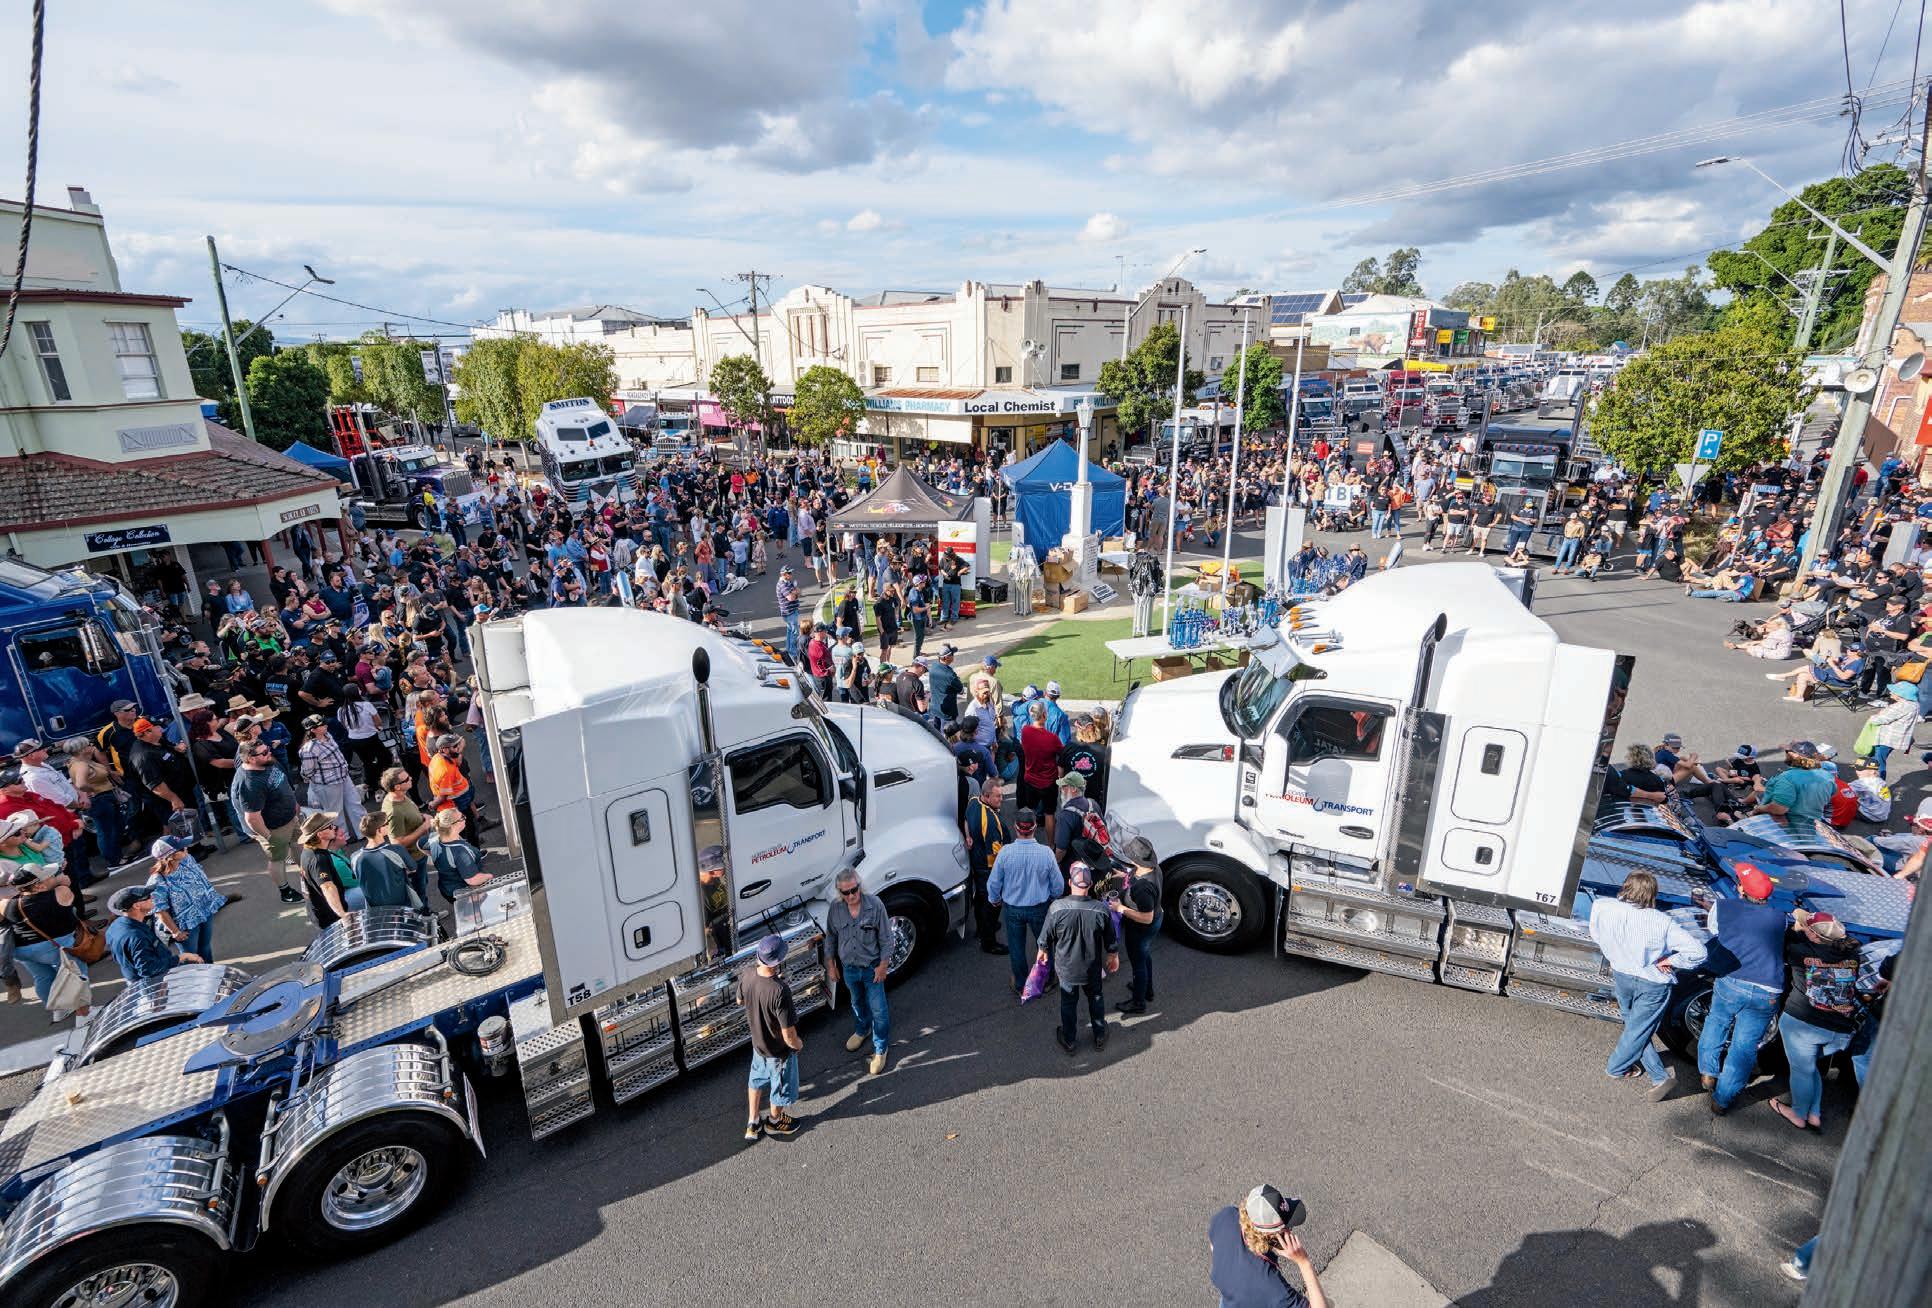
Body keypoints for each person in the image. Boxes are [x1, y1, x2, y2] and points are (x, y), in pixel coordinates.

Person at [1586, 869, 1706, 1100]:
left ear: (1625, 886)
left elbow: (1597, 934)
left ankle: (1659, 1076)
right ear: (1653, 894)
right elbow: (1698, 952)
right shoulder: (1661, 921)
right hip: (1653, 982)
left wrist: (1615, 952)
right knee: (1640, 1028)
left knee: (1636, 1026)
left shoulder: (1602, 906)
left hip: (1621, 973)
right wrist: (1671, 961)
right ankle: (1617, 1067)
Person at [1693, 864, 1785, 1115]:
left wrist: (1710, 907)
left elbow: (1716, 931)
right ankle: (1722, 1101)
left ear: (1741, 890)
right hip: (1767, 990)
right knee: (1744, 1047)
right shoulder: (1780, 917)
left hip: (1731, 980)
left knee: (1717, 1022)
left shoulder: (1723, 907)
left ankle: (1708, 1073)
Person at [1771, 909, 1862, 1132]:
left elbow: (1784, 939)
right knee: (1811, 1068)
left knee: (1801, 1071)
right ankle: (1814, 1114)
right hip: (1839, 1029)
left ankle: (1798, 1114)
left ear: (1814, 935)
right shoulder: (1853, 954)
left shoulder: (1800, 951)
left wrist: (1798, 926)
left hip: (1803, 1024)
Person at [1036, 861, 1119, 1053]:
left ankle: (1069, 1040)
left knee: (1068, 1003)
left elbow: (1044, 940)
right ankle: (1099, 1035)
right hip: (1092, 969)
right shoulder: (1101, 910)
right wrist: (1113, 956)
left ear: (1069, 882)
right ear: (1090, 885)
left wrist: (1043, 952)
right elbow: (1111, 940)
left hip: (1067, 970)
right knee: (1095, 999)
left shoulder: (1057, 908)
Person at [1207, 1185, 1327, 1308]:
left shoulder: (1226, 1216)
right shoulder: (1271, 1286)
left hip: (1229, 1300)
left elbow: (1213, 1246)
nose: (1290, 1231)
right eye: (1288, 1228)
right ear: (1272, 1237)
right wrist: (1303, 1262)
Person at [823, 868, 892, 1075]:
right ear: (840, 892)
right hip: (849, 970)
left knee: (879, 1010)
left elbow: (886, 939)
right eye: (846, 892)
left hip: (872, 969)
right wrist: (831, 965)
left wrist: (883, 966)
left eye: (855, 890)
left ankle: (881, 1049)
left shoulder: (875, 905)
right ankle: (862, 1030)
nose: (852, 895)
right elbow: (830, 937)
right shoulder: (835, 909)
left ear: (859, 886)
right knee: (856, 1002)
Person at [987, 809, 1061, 995]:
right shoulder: (1046, 853)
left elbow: (994, 883)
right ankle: (1046, 980)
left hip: (1013, 909)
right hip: (1040, 908)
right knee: (1043, 946)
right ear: (1035, 827)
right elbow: (1058, 886)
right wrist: (1051, 897)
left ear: (1015, 827)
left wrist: (995, 899)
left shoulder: (1005, 853)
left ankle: (1021, 984)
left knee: (1016, 947)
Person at [740, 932, 803, 1141]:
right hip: (778, 1052)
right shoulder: (780, 991)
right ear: (778, 961)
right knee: (780, 1088)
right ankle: (775, 1122)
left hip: (758, 1046)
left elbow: (740, 1000)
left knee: (755, 1080)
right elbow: (789, 1035)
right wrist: (798, 1045)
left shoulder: (747, 974)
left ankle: (753, 1121)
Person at [1, 862, 89, 1014]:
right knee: (76, 974)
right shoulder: (61, 892)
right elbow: (67, 892)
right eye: (49, 876)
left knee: (43, 977)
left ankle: (58, 1011)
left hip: (22, 951)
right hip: (54, 947)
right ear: (39, 886)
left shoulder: (6, 904)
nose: (53, 876)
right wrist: (60, 881)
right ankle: (83, 1014)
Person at [230, 739, 304, 904]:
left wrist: (294, 803)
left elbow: (282, 783)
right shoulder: (250, 784)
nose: (269, 753)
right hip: (273, 827)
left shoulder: (267, 762)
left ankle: (309, 877)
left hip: (289, 818)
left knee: (299, 846)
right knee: (277, 859)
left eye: (268, 749)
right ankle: (286, 892)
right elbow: (252, 818)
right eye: (264, 753)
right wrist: (269, 837)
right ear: (250, 758)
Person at [146, 837, 225, 964]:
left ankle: (211, 972)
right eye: (182, 848)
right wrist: (175, 932)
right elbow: (159, 910)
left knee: (205, 947)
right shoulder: (157, 880)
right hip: (184, 925)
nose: (186, 849)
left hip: (205, 910)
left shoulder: (187, 859)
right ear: (170, 856)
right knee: (191, 957)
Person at [105, 885, 198, 981]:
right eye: (148, 897)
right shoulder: (137, 937)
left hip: (133, 976)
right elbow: (148, 969)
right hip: (154, 982)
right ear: (136, 906)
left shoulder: (115, 926)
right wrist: (180, 958)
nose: (153, 898)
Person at [1115, 834, 1163, 1014]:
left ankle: (1138, 1002)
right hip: (1156, 920)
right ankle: (1147, 989)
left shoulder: (1143, 887)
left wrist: (1120, 908)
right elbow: (1136, 874)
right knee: (1144, 955)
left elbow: (1146, 917)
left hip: (1142, 928)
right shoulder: (1154, 869)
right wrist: (1125, 875)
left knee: (1138, 963)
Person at [1751, 741, 1836, 838]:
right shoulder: (1828, 777)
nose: (1786, 754)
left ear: (1793, 755)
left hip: (1783, 830)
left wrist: (1758, 809)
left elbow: (1779, 809)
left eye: (1787, 752)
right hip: (1811, 828)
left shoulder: (1788, 777)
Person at [962, 775, 1008, 954]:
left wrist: (968, 835)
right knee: (992, 903)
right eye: (998, 796)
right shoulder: (990, 821)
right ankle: (989, 943)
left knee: (980, 897)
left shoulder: (973, 801)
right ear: (986, 796)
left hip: (975, 861)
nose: (1001, 799)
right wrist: (1002, 875)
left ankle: (981, 928)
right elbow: (995, 855)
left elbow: (965, 819)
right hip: (987, 868)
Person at [298, 714, 366, 833]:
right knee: (335, 812)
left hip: (343, 777)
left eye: (324, 723)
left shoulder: (328, 735)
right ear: (313, 730)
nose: (325, 725)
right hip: (328, 784)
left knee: (355, 803)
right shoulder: (309, 749)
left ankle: (364, 831)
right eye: (321, 725)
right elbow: (307, 771)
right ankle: (342, 837)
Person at [297, 811, 357, 929]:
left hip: (321, 913)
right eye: (330, 827)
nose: (334, 828)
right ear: (320, 834)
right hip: (329, 917)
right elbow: (328, 887)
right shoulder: (318, 859)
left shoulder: (309, 851)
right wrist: (342, 914)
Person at [352, 812, 418, 909]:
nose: (388, 825)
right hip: (401, 904)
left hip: (374, 908)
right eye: (386, 823)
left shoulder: (355, 857)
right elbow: (413, 869)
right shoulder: (397, 850)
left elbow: (356, 877)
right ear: (379, 830)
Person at [425, 806, 490, 905]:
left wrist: (435, 856)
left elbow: (420, 844)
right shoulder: (460, 852)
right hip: (465, 894)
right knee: (473, 912)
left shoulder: (434, 838)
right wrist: (488, 876)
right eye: (462, 817)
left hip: (446, 888)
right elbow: (472, 880)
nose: (465, 818)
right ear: (452, 826)